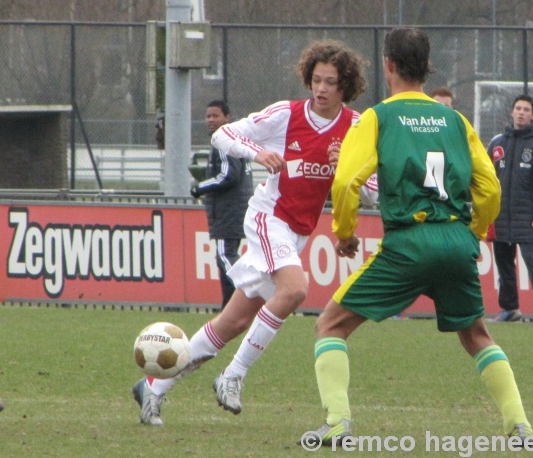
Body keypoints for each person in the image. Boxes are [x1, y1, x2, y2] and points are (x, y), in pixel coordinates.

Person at [302, 27, 533, 446]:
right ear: (427, 68)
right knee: (477, 334)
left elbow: (345, 183)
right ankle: (520, 426)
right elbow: (490, 189)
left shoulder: (378, 117)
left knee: (331, 326)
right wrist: (474, 233)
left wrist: (345, 233)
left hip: (408, 243)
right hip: (455, 239)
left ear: (388, 66)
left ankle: (338, 423)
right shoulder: (455, 119)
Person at [132, 38, 371, 425]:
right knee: (294, 289)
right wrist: (257, 153)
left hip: (297, 233)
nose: (321, 88)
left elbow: (374, 185)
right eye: (316, 79)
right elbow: (222, 135)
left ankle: (153, 388)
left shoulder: (356, 127)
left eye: (330, 82)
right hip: (267, 217)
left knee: (232, 322)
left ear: (347, 86)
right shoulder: (286, 114)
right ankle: (233, 375)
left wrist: (348, 166)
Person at [487, 95, 533, 323]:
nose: (521, 112)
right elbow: (486, 177)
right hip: (500, 217)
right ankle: (510, 309)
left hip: (528, 218)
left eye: (526, 109)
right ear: (511, 112)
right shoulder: (497, 142)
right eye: (518, 108)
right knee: (503, 265)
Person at [190, 100, 254, 310]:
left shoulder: (224, 140)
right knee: (226, 256)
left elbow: (229, 175)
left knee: (225, 257)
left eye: (215, 116)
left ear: (226, 117)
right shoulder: (234, 139)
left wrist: (200, 187)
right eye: (208, 116)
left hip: (229, 211)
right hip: (234, 210)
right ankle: (229, 307)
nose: (210, 120)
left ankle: (244, 299)